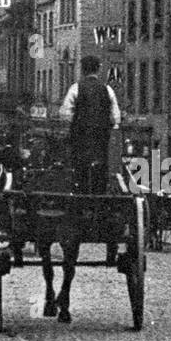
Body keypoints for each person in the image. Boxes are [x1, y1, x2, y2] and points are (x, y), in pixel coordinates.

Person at [60, 55, 122, 267]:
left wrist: (78, 122)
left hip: (80, 144)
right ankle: (99, 208)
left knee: (76, 174)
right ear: (99, 69)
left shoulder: (76, 89)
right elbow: (115, 119)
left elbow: (65, 114)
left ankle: (77, 206)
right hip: (100, 146)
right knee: (100, 178)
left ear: (82, 69)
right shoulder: (108, 90)